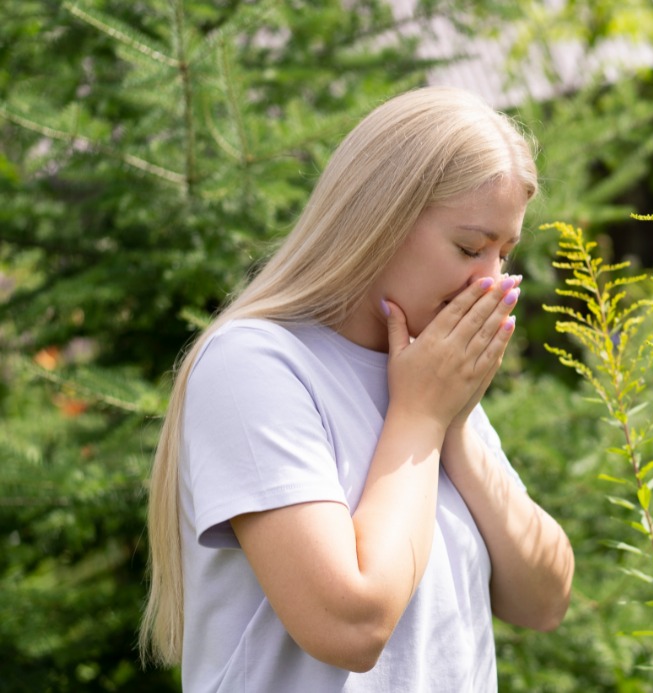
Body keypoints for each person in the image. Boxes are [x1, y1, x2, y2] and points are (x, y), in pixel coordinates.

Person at [139, 86, 575, 692]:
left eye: (505, 253)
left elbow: (545, 599)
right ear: (379, 219)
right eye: (470, 247)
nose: (491, 282)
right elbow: (351, 625)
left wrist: (453, 429)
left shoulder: (429, 375)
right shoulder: (255, 365)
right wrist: (421, 418)